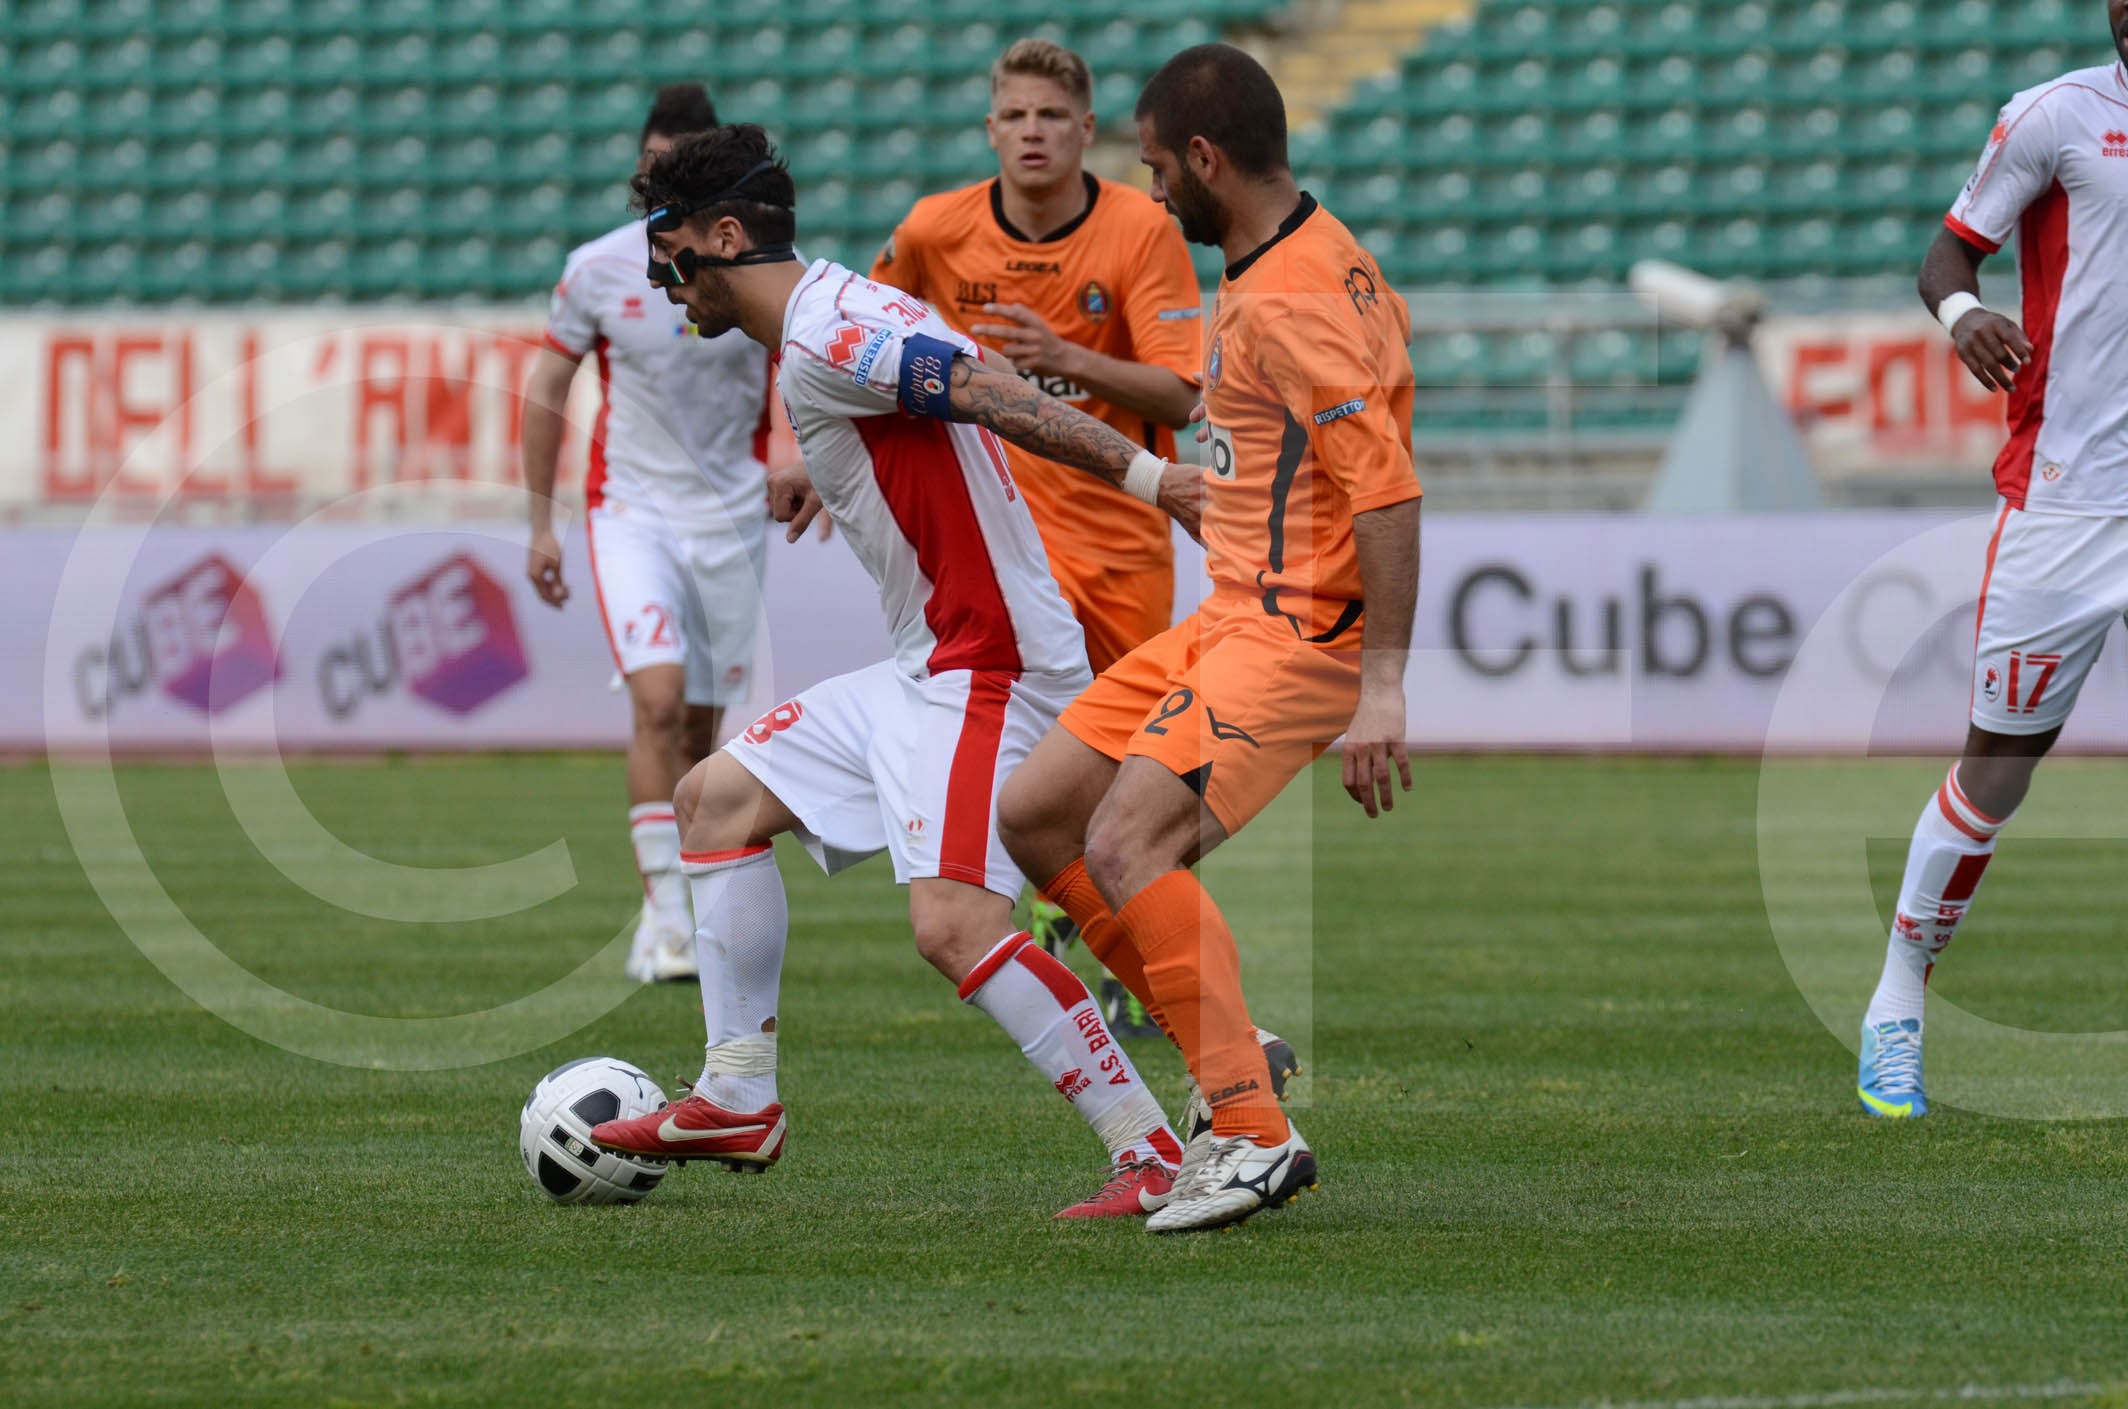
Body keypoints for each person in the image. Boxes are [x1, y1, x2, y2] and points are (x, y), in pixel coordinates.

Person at [586, 123, 1212, 1219]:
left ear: (725, 237)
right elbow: (941, 400)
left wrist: (1157, 481)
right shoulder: (830, 328)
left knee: (953, 923)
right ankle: (736, 1091)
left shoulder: (830, 332)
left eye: (671, 252)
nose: (664, 282)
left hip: (991, 664)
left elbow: (983, 390)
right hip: (932, 661)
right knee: (713, 799)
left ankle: (1152, 1149)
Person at [996, 44, 1422, 1233]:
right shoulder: (1288, 260)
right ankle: (1224, 1053)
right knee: (1037, 814)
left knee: (1130, 840)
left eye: (1155, 168)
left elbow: (1387, 494)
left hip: (1297, 631)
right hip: (1228, 611)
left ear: (1203, 159)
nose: (1149, 193)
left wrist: (1380, 684)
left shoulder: (1289, 298)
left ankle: (1249, 1128)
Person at [867, 36, 1206, 994]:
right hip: (1006, 548)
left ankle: (1151, 958)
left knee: (1142, 769)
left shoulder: (1140, 230)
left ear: (1087, 130)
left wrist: (1065, 355)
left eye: (1051, 116)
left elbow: (1182, 394)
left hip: (1123, 541)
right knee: (1023, 763)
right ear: (990, 128)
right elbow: (857, 344)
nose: (1032, 132)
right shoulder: (936, 231)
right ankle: (1059, 938)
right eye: (1014, 116)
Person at [1856, 0, 2128, 1119]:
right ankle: (1895, 1004)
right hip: (2067, 502)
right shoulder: (2058, 116)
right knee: (1994, 770)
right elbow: (1946, 252)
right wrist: (1964, 310)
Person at [521, 85, 775, 984]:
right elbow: (547, 387)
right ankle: (666, 916)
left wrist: (792, 454)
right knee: (657, 702)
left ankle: (697, 905)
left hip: (734, 514)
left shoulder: (754, 265)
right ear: (640, 167)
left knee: (704, 736)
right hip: (632, 511)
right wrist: (540, 525)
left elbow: (798, 363)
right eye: (654, 171)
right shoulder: (597, 267)